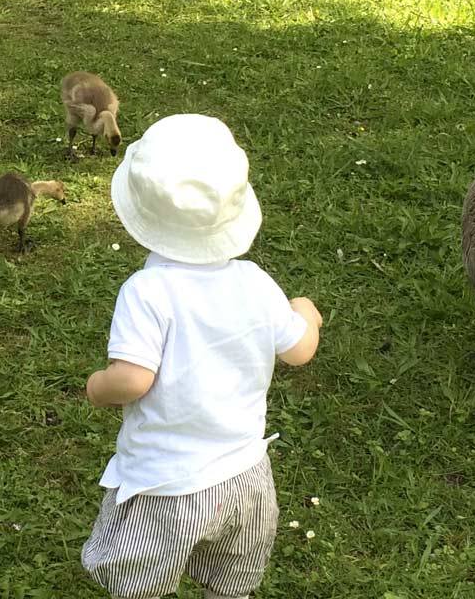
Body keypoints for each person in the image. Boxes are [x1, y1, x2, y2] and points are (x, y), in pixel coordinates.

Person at [81, 113, 324, 599]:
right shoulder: (255, 282)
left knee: (140, 584)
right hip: (246, 482)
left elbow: (131, 380)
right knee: (230, 586)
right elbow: (298, 351)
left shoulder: (147, 292)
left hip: (166, 489)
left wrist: (96, 385)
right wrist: (308, 315)